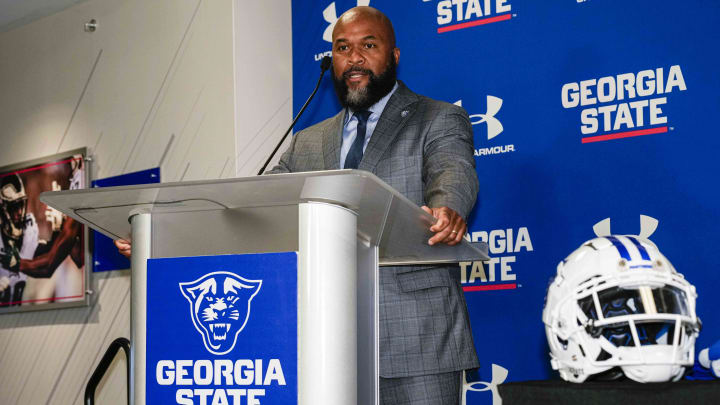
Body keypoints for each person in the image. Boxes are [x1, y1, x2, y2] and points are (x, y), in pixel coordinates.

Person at [116, 6, 479, 404]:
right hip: (322, 344)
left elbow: (453, 172)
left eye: (368, 45)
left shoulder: (437, 117)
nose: (354, 58)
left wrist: (447, 208)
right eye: (342, 48)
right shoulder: (308, 140)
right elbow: (252, 210)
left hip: (417, 340)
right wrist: (170, 237)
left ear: (393, 55)